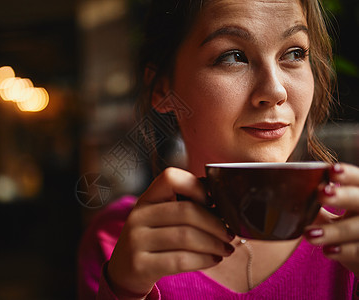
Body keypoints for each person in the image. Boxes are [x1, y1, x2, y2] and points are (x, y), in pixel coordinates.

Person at [78, 0, 359, 298]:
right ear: (162, 89)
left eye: (294, 53)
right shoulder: (121, 244)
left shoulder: (350, 230)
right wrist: (123, 291)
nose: (275, 91)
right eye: (233, 56)